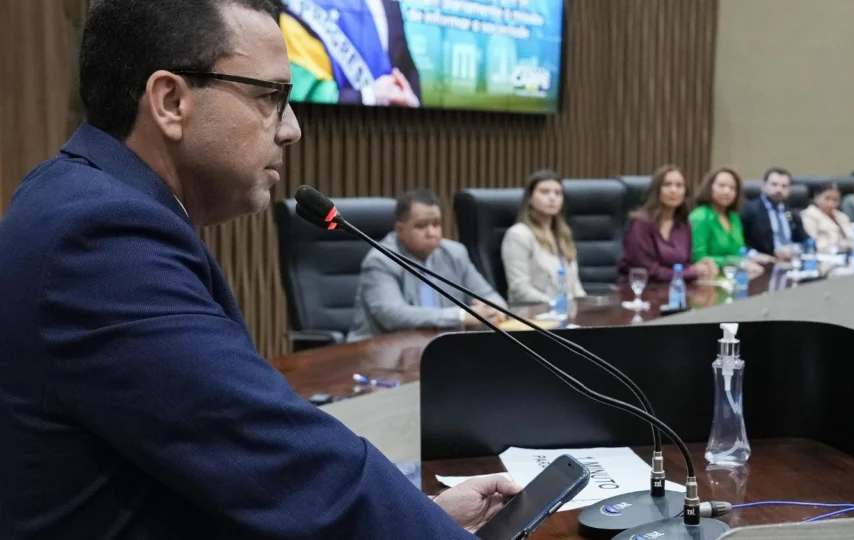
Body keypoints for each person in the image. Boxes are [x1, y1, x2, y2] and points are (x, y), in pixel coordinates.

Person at [0, 1, 518, 538]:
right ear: (171, 101)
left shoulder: (79, 196)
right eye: (271, 97)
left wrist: (427, 518)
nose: (292, 129)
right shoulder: (101, 241)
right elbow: (277, 457)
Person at [348, 188, 506, 342]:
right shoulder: (381, 260)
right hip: (377, 350)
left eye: (436, 224)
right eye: (421, 226)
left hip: (440, 348)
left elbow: (489, 296)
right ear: (400, 230)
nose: (432, 233)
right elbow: (392, 315)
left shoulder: (455, 254)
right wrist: (460, 316)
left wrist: (494, 310)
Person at [281, 0, 421, 106]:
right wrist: (368, 96)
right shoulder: (299, 7)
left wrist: (411, 102)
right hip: (330, 127)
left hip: (393, 129)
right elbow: (301, 91)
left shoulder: (390, 5)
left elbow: (407, 70)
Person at [617, 165, 718, 283]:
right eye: (667, 185)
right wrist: (692, 272)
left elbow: (684, 264)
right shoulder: (641, 223)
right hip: (641, 289)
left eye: (679, 186)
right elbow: (647, 270)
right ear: (657, 190)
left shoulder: (683, 224)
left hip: (674, 288)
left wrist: (700, 266)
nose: (673, 190)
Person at [501, 169, 587, 304]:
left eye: (558, 193)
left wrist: (585, 306)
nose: (552, 197)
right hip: (533, 312)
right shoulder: (518, 235)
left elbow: (575, 286)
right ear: (530, 198)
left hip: (567, 311)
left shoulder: (563, 235)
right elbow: (520, 290)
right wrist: (557, 304)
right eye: (545, 192)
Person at [689, 167, 765, 277]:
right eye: (721, 186)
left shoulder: (733, 217)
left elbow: (739, 251)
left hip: (733, 276)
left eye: (732, 188)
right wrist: (736, 262)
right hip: (707, 278)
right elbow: (699, 258)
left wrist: (748, 260)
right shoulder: (700, 216)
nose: (727, 191)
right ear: (710, 188)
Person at [740, 167, 810, 260]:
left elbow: (806, 241)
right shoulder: (749, 210)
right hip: (762, 261)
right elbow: (739, 242)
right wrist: (755, 255)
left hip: (791, 261)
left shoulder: (791, 214)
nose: (779, 189)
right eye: (774, 184)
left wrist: (793, 249)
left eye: (784, 186)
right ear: (763, 185)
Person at [800, 183, 854, 253]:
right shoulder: (809, 215)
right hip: (822, 255)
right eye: (827, 198)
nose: (831, 204)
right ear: (817, 198)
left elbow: (853, 239)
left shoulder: (841, 216)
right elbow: (811, 242)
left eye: (835, 200)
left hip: (845, 253)